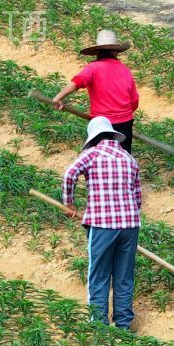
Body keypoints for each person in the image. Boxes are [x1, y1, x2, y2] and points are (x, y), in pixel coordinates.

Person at [62, 116, 142, 330]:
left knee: (99, 274)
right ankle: (123, 325)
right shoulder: (128, 158)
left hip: (102, 225)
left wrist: (69, 204)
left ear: (94, 138)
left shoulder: (92, 154)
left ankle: (99, 326)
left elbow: (70, 174)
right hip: (130, 225)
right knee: (124, 277)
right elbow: (137, 196)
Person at [52, 29, 139, 154]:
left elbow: (77, 81)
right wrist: (122, 115)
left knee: (100, 156)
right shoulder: (125, 69)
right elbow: (134, 101)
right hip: (125, 123)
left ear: (98, 52)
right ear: (116, 52)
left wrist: (58, 97)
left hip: (101, 124)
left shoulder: (93, 68)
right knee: (123, 156)